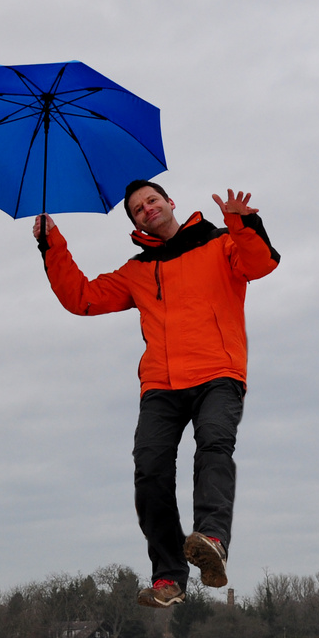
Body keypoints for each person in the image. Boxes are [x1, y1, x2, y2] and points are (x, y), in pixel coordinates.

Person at [32, 180, 280, 608]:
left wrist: (242, 222)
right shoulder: (137, 270)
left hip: (218, 372)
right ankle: (169, 577)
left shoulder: (220, 244)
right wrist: (51, 244)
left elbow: (261, 264)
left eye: (152, 200)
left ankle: (212, 539)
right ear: (134, 221)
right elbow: (81, 298)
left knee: (214, 446)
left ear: (170, 204)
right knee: (150, 471)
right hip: (162, 385)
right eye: (137, 208)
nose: (147, 209)